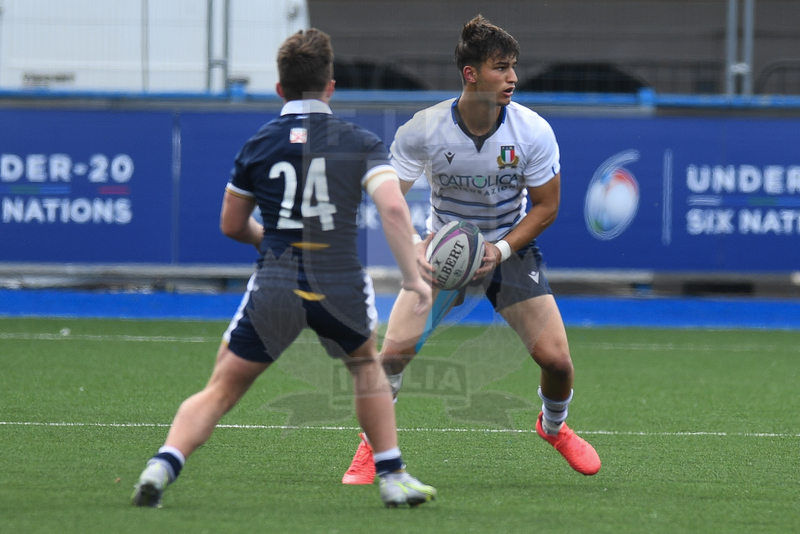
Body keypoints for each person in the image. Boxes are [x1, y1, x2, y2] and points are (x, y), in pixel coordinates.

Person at [132, 28, 436, 509]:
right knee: (365, 370)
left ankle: (162, 464)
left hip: (276, 278)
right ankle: (392, 476)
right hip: (337, 278)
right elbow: (395, 211)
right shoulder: (358, 141)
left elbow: (231, 224)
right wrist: (414, 278)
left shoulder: (259, 144)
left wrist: (268, 241)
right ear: (330, 85)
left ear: (280, 89)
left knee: (222, 388)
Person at [342, 15, 600, 485]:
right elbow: (390, 198)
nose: (513, 78)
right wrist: (414, 250)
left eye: (514, 67)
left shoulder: (532, 131)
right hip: (443, 253)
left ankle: (554, 428)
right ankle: (373, 451)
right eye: (502, 68)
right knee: (393, 356)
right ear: (471, 74)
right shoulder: (424, 128)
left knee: (558, 362)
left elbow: (546, 208)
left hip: (509, 251)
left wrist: (499, 251)